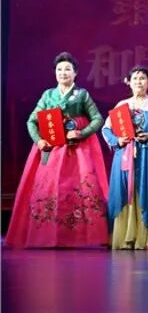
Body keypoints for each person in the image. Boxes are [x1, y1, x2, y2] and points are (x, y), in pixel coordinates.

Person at [5, 52, 109, 248]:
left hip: (76, 151)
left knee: (77, 189)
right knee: (49, 189)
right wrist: (39, 141)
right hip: (51, 150)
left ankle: (76, 236)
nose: (63, 73)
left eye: (67, 69)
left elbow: (97, 119)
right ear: (54, 73)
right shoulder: (48, 95)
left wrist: (81, 132)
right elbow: (31, 121)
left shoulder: (82, 94)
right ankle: (45, 235)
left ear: (75, 73)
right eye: (59, 69)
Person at [102, 66, 148, 249]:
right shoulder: (122, 105)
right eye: (135, 78)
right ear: (128, 82)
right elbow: (106, 129)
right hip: (123, 155)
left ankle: (144, 238)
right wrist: (117, 140)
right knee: (122, 191)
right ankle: (122, 237)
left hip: (147, 154)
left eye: (142, 78)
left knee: (145, 190)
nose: (139, 82)